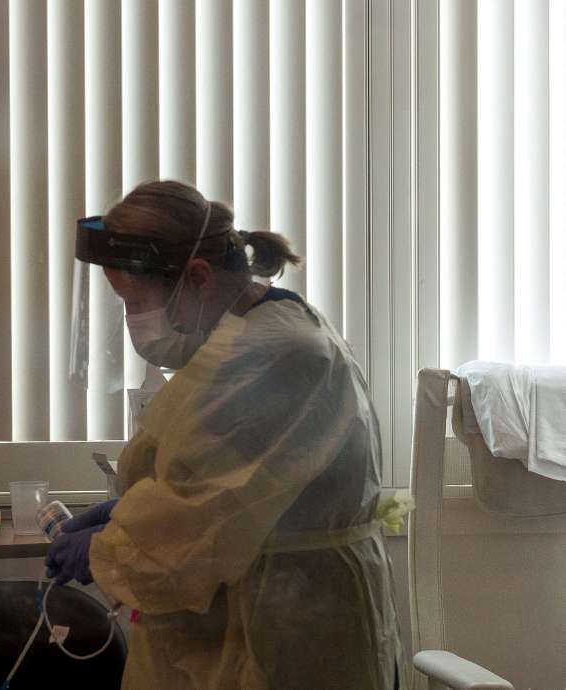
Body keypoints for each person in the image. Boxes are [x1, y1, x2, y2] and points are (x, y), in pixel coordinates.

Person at [46, 180, 405, 689]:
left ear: (196, 276)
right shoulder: (246, 335)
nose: (131, 322)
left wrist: (114, 545)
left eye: (135, 302)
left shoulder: (272, 354)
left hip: (286, 633)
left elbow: (205, 516)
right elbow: (207, 483)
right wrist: (126, 512)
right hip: (252, 617)